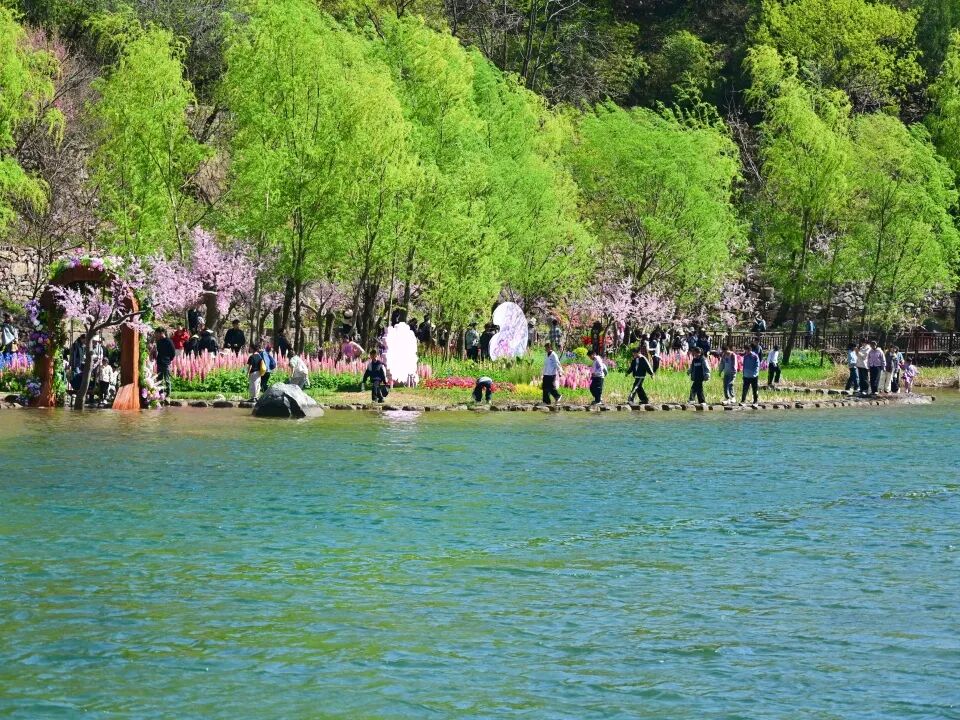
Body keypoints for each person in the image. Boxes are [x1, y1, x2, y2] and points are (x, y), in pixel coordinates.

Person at [154, 328, 176, 397]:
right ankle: (160, 393)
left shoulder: (169, 341)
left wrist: (169, 360)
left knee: (167, 379)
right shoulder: (158, 341)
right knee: (159, 379)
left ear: (161, 333)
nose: (156, 335)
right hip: (159, 361)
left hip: (166, 362)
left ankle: (168, 394)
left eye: (156, 333)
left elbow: (173, 352)